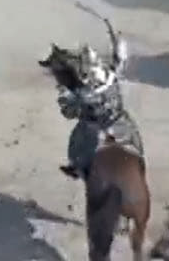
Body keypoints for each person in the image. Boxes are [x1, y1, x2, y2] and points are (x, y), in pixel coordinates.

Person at [57, 45, 134, 179]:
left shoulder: (100, 81)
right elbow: (118, 62)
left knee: (85, 137)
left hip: (106, 119)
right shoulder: (106, 77)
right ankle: (78, 166)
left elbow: (70, 109)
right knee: (79, 137)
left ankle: (80, 166)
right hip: (107, 118)